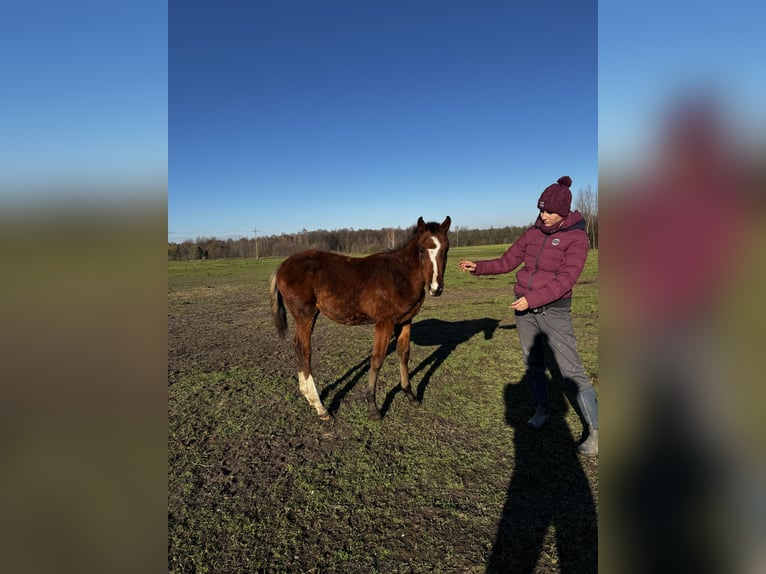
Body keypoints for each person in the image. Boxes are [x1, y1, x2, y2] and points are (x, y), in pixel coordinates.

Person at [458, 176, 598, 456]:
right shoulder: (532, 233)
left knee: (571, 370)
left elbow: (566, 279)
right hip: (524, 308)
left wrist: (531, 299)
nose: (543, 215)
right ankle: (542, 410)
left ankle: (596, 431)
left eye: (548, 211)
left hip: (553, 310)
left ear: (564, 212)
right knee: (533, 364)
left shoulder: (577, 237)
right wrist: (479, 267)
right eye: (540, 210)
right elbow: (507, 261)